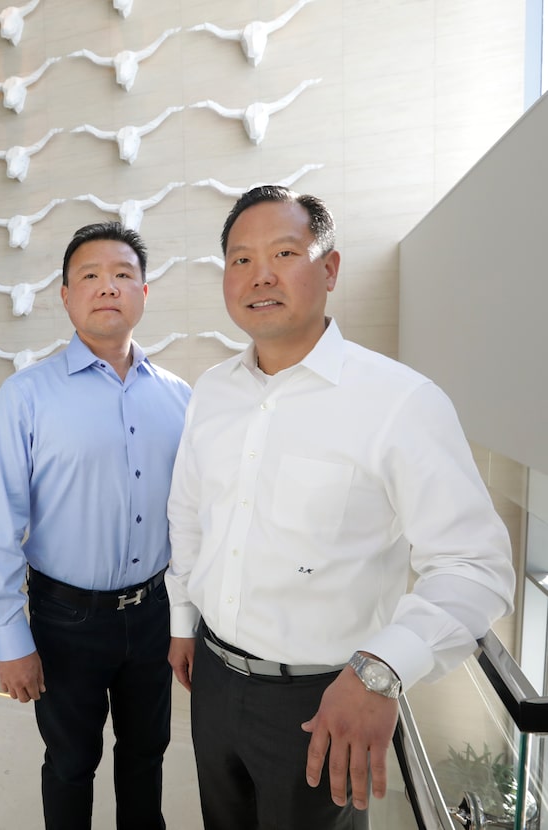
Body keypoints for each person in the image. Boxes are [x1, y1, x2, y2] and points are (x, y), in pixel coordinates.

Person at [165, 185, 515, 829]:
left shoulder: (400, 402)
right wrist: (184, 620)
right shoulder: (212, 391)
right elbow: (190, 515)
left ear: (328, 269)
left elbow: (475, 566)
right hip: (211, 679)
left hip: (325, 697)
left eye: (285, 252)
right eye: (240, 259)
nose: (260, 274)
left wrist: (381, 671)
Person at [0, 221, 191, 830]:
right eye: (89, 276)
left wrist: (186, 622)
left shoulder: (180, 398)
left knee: (147, 755)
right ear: (65, 296)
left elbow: (195, 519)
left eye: (123, 275)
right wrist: (11, 640)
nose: (107, 287)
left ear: (144, 294)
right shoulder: (25, 397)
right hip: (66, 620)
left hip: (153, 613)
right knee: (71, 762)